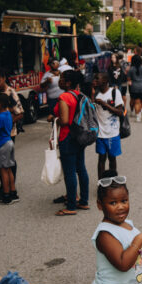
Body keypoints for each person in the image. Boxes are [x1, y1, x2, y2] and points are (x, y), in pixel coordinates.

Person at [54, 70, 90, 216]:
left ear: (68, 82)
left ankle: (71, 206)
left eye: (61, 78)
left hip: (67, 137)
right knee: (81, 168)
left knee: (70, 172)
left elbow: (64, 121)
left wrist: (53, 118)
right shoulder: (79, 95)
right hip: (79, 136)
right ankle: (84, 201)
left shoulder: (64, 97)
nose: (59, 81)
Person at [93, 72, 125, 179]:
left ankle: (112, 182)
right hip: (100, 134)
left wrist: (105, 104)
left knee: (112, 159)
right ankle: (101, 183)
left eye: (97, 78)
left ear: (105, 81)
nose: (95, 81)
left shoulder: (115, 92)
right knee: (101, 159)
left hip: (113, 133)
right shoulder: (96, 94)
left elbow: (120, 112)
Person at [0, 93, 18, 204]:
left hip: (1, 145)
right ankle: (13, 192)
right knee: (9, 168)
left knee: (3, 170)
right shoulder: (8, 114)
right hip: (9, 142)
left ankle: (6, 195)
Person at [127, 54, 142, 122]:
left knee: (137, 103)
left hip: (134, 87)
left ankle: (138, 117)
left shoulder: (131, 69)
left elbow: (128, 79)